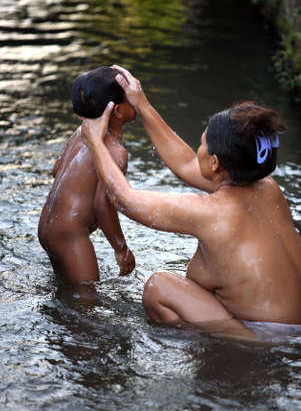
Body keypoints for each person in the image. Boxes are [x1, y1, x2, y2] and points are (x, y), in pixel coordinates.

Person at [81, 65, 301, 330]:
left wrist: (94, 142)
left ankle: (221, 354)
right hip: (290, 325)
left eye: (202, 144)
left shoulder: (211, 211)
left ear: (215, 164)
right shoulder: (268, 186)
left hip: (268, 341)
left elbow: (124, 199)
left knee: (160, 288)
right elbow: (185, 163)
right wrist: (142, 104)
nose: (197, 150)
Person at [38, 66, 136, 284]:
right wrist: (121, 248)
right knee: (85, 302)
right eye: (132, 97)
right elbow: (103, 205)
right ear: (118, 111)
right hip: (70, 235)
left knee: (64, 290)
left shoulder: (80, 132)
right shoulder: (116, 152)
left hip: (47, 225)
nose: (138, 98)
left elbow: (56, 170)